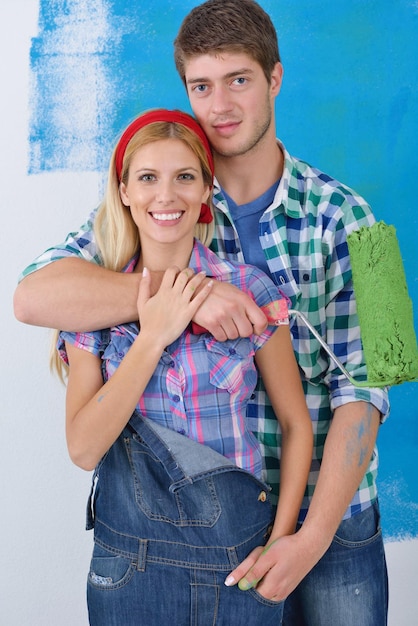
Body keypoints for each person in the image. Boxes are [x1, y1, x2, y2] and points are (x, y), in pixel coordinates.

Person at [14, 1, 390, 624]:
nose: (219, 106)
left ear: (275, 78)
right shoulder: (165, 197)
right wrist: (184, 294)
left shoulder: (362, 222)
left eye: (239, 80)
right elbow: (33, 295)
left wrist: (309, 537)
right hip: (193, 535)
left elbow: (378, 381)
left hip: (332, 528)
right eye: (201, 86)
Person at [52, 107, 312, 624]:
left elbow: (294, 424)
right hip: (129, 570)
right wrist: (154, 334)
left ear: (205, 192)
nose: (165, 196)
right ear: (124, 191)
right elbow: (83, 449)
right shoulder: (92, 305)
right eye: (147, 178)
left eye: (184, 177)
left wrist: (281, 543)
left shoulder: (249, 293)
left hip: (239, 564)